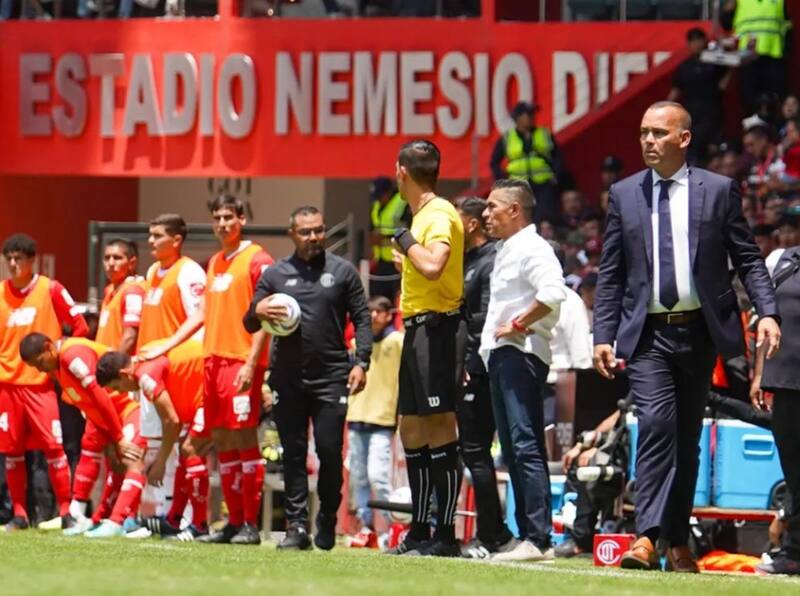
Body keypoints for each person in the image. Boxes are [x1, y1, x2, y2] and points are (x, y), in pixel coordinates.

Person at [593, 101, 780, 572]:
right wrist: (603, 334)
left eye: (658, 133)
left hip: (700, 333)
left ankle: (677, 539)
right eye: (642, 133)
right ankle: (647, 537)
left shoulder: (717, 191)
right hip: (648, 335)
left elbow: (748, 258)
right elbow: (611, 271)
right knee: (655, 425)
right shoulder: (623, 194)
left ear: (683, 138)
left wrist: (768, 310)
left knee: (687, 439)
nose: (648, 141)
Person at [244, 206, 371, 551]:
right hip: (287, 379)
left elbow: (362, 319)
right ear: (292, 234)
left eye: (318, 230)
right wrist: (257, 310)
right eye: (306, 232)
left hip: (332, 377)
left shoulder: (343, 272)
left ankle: (326, 517)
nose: (314, 237)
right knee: (294, 454)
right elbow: (249, 322)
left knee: (329, 452)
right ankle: (297, 527)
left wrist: (362, 362)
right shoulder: (275, 275)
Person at [478, 178, 567, 562]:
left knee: (524, 443)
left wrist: (517, 324)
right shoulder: (508, 249)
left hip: (519, 352)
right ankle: (530, 535)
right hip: (503, 354)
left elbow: (552, 293)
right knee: (514, 448)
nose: (486, 214)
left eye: (492, 206)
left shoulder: (533, 247)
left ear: (515, 210)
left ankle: (538, 537)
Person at [388, 140, 466, 557]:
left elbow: (434, 265)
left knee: (438, 427)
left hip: (438, 329)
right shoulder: (424, 215)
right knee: (412, 428)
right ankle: (419, 530)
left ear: (402, 170)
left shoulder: (437, 213)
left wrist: (403, 240)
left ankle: (446, 534)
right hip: (418, 329)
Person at [188, 195, 273, 546]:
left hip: (240, 360)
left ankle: (250, 524)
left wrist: (253, 363)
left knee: (244, 438)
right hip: (213, 362)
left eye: (229, 217)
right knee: (221, 439)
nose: (223, 224)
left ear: (242, 218)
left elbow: (268, 315)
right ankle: (233, 522)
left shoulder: (258, 259)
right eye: (217, 218)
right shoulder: (214, 263)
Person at [0, 233, 89, 531]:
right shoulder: (0, 293)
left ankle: (65, 512)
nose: (13, 264)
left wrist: (60, 359)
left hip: (40, 386)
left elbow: (80, 326)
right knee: (11, 452)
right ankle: (20, 516)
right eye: (9, 258)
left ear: (31, 260)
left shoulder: (50, 289)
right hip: (7, 387)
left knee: (54, 448)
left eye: (19, 258)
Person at [18, 334, 145, 538]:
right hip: (106, 418)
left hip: (129, 407)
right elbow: (90, 404)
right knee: (107, 458)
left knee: (132, 459)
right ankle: (93, 517)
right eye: (35, 367)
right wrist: (110, 438)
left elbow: (100, 395)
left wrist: (119, 437)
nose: (39, 370)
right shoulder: (57, 369)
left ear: (49, 348)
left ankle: (119, 521)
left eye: (40, 362)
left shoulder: (72, 354)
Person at [452, 196, 517, 559]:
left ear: (472, 223)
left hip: (484, 368)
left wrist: (469, 362)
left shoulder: (492, 260)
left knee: (480, 451)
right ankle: (493, 531)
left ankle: (494, 533)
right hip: (472, 367)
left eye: (456, 219)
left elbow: (483, 320)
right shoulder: (465, 261)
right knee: (473, 452)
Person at [97, 340, 211, 543]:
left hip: (212, 390)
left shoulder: (145, 375)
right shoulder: (144, 361)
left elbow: (171, 421)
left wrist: (160, 462)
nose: (122, 392)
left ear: (124, 374)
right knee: (187, 454)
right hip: (203, 395)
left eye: (117, 387)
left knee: (189, 449)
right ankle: (175, 520)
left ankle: (200, 526)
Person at [135, 214, 206, 519]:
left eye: (157, 235)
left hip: (176, 373)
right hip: (151, 370)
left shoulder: (189, 272)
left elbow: (199, 320)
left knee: (179, 445)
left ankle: (183, 516)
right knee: (155, 444)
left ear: (176, 240)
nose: (151, 241)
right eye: (150, 235)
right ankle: (159, 514)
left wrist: (167, 349)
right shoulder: (152, 271)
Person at [753, 245, 800, 576]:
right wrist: (759, 375)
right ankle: (795, 551)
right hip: (785, 382)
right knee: (795, 472)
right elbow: (765, 322)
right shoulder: (782, 259)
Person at [345, 295, 402, 548]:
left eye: (379, 312)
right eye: (369, 312)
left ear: (389, 314)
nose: (373, 316)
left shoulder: (397, 341)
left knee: (378, 477)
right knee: (358, 477)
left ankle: (394, 526)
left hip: (382, 419)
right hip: (356, 416)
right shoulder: (358, 342)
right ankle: (366, 527)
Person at [490, 101, 563, 224]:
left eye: (533, 114)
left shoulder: (544, 133)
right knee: (520, 220)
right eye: (528, 114)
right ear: (517, 118)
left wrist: (556, 176)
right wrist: (504, 182)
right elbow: (494, 162)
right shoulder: (507, 137)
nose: (532, 117)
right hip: (518, 187)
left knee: (545, 219)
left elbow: (558, 157)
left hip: (543, 184)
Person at [668, 28, 731, 166]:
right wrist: (664, 109)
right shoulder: (685, 67)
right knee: (692, 154)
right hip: (692, 118)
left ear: (705, 41)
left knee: (713, 153)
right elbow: (676, 90)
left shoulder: (715, 63)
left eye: (699, 39)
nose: (696, 43)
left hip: (712, 115)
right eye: (693, 40)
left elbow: (725, 80)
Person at [722, 0, 791, 114]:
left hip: (773, 56)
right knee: (748, 98)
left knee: (774, 98)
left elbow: (788, 26)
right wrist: (727, 9)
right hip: (748, 58)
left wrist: (786, 50)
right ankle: (752, 126)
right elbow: (726, 24)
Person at [96, 238, 145, 354]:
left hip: (119, 366)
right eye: (107, 258)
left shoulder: (133, 291)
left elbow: (130, 336)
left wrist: (114, 366)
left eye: (117, 258)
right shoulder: (110, 290)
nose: (111, 263)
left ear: (132, 263)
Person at [368, 176, 409, 301]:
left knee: (396, 300)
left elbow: (409, 232)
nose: (379, 200)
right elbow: (373, 228)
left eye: (381, 196)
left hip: (397, 262)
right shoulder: (376, 205)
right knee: (377, 300)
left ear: (389, 192)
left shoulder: (402, 204)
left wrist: (383, 239)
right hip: (380, 262)